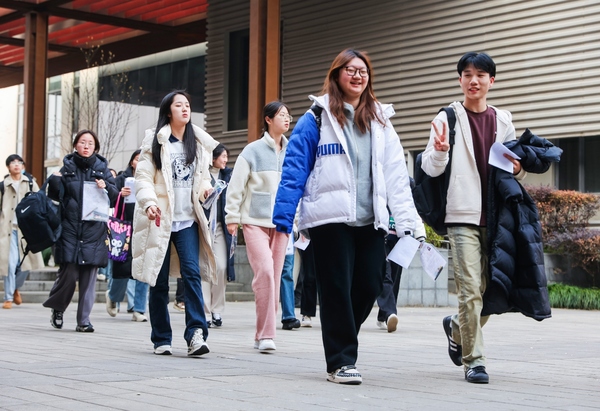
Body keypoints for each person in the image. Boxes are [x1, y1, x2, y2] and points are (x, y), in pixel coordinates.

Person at [272, 49, 417, 385]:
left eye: (362, 71)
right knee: (336, 288)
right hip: (329, 219)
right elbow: (294, 169)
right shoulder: (317, 118)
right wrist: (284, 217)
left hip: (370, 220)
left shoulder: (381, 121)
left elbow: (397, 175)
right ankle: (340, 361)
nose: (357, 75)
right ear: (336, 74)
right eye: (350, 70)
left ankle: (341, 335)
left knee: (370, 283)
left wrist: (408, 222)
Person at [420, 52, 524, 384]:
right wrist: (440, 152)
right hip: (461, 214)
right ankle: (475, 361)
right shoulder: (448, 116)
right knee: (469, 290)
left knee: (491, 291)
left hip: (496, 218)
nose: (473, 80)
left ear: (491, 81)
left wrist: (518, 168)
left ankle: (456, 327)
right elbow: (429, 168)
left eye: (480, 75)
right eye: (467, 74)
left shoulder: (503, 120)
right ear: (460, 80)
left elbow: (510, 168)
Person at [132, 90, 218, 357]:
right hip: (160, 219)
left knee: (192, 274)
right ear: (168, 112)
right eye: (178, 105)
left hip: (188, 220)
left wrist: (206, 190)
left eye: (187, 105)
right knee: (158, 280)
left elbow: (203, 178)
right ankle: (161, 337)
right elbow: (143, 178)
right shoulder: (155, 142)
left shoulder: (198, 143)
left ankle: (196, 334)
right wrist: (149, 203)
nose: (185, 108)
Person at [225, 101, 291, 353]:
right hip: (254, 222)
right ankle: (266, 334)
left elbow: (298, 187)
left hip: (282, 223)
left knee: (274, 277)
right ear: (268, 119)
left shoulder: (292, 150)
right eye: (282, 115)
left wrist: (298, 220)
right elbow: (236, 186)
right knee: (264, 272)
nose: (287, 118)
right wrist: (232, 217)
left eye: (288, 115)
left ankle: (262, 334)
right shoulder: (252, 151)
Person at [43, 130, 119, 332]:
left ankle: (84, 321)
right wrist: (55, 181)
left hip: (94, 230)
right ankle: (58, 308)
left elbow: (115, 198)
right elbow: (54, 196)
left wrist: (106, 186)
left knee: (89, 276)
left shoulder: (102, 169)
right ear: (76, 145)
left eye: (90, 143)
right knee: (68, 274)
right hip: (69, 229)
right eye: (82, 142)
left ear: (95, 148)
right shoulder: (67, 167)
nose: (86, 146)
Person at [105, 149, 150, 322]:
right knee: (121, 270)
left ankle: (139, 309)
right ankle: (113, 297)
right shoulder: (122, 179)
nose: (140, 162)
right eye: (137, 159)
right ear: (132, 162)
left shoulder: (151, 178)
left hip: (144, 227)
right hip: (123, 229)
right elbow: (109, 199)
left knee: (143, 270)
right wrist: (120, 195)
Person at [0, 155, 44, 309]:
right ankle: (8, 298)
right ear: (8, 167)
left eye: (19, 162)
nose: (16, 165)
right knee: (10, 264)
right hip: (8, 230)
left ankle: (15, 288)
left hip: (27, 230)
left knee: (26, 264)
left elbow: (40, 202)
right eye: (13, 163)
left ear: (23, 166)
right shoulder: (3, 186)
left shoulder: (31, 183)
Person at [376, 202, 426, 332]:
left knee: (395, 278)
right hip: (381, 236)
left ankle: (383, 316)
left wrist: (420, 236)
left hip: (401, 239)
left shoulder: (406, 189)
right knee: (385, 275)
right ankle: (390, 314)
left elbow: (412, 209)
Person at [201, 143, 235, 327]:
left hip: (221, 227)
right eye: (223, 156)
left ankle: (217, 309)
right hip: (204, 226)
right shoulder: (202, 175)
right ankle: (205, 312)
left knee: (221, 267)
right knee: (205, 269)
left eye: (227, 157)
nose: (226, 160)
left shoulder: (228, 176)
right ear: (213, 158)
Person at [280, 233, 300, 330]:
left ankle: (289, 316)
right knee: (269, 275)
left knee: (287, 273)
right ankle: (266, 317)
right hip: (269, 229)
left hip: (288, 231)